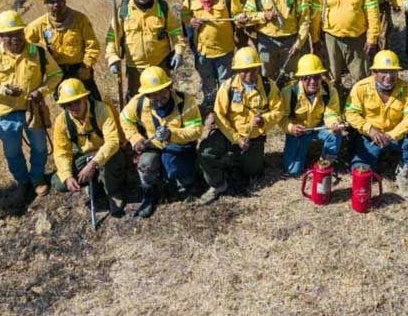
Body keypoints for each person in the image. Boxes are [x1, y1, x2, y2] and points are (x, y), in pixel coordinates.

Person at [0, 10, 61, 202]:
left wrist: (41, 91)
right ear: (1, 36)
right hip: (6, 113)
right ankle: (23, 183)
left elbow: (55, 75)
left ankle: (37, 179)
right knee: (12, 152)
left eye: (18, 32)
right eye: (9, 34)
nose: (14, 38)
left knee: (40, 147)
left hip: (33, 109)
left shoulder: (38, 51)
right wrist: (4, 90)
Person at [198, 47, 284, 204]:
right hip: (229, 134)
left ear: (258, 68)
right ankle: (218, 184)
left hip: (254, 137)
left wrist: (264, 119)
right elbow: (219, 116)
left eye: (252, 69)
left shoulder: (268, 86)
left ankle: (241, 159)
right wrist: (236, 139)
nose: (249, 74)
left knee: (253, 173)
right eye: (244, 71)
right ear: (237, 70)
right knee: (206, 152)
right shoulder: (227, 87)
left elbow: (278, 111)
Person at [121, 67, 203, 217]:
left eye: (162, 93)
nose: (158, 98)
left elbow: (196, 130)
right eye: (153, 95)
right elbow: (125, 119)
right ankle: (150, 195)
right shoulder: (138, 103)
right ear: (146, 94)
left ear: (169, 87)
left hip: (179, 146)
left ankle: (184, 180)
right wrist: (136, 138)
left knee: (183, 181)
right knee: (146, 165)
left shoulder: (186, 101)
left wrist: (172, 135)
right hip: (154, 146)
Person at [345, 50, 408, 198]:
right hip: (370, 137)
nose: (389, 77)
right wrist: (370, 130)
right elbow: (351, 113)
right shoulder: (361, 88)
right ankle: (375, 160)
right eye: (384, 72)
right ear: (374, 72)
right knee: (360, 172)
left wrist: (391, 135)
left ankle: (403, 173)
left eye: (393, 72)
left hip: (396, 136)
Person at [50, 79, 128, 217]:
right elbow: (62, 153)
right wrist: (68, 177)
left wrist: (93, 164)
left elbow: (113, 142)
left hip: (108, 151)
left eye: (77, 101)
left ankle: (114, 192)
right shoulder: (61, 121)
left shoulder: (102, 109)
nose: (74, 107)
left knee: (113, 160)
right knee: (59, 182)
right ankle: (98, 181)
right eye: (69, 104)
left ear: (85, 98)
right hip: (85, 155)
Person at [181, 0, 248, 113]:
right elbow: (184, 15)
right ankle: (211, 111)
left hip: (225, 51)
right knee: (208, 84)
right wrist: (190, 21)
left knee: (226, 84)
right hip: (202, 52)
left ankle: (227, 111)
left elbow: (238, 14)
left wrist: (241, 19)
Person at [106, 0, 187, 99]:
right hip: (135, 69)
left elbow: (175, 32)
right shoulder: (123, 11)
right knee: (138, 101)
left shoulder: (162, 7)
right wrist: (112, 59)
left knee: (164, 98)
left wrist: (179, 51)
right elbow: (111, 38)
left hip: (160, 64)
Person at [318, 0, 380, 93]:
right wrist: (315, 38)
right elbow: (316, 13)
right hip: (331, 37)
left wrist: (372, 37)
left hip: (357, 38)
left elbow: (373, 12)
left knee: (361, 77)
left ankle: (362, 107)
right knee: (332, 79)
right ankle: (334, 107)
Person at [25, 0, 102, 101]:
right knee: (68, 107)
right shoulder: (38, 25)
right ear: (45, 2)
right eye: (51, 1)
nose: (56, 4)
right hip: (57, 73)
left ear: (65, 0)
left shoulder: (80, 19)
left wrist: (86, 66)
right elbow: (23, 45)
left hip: (80, 69)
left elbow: (92, 45)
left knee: (93, 103)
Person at [242, 0, 312, 81]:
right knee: (266, 77)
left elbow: (305, 19)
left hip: (291, 42)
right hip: (266, 41)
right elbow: (246, 17)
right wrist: (263, 16)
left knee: (292, 78)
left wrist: (299, 43)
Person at [279, 54, 345, 176]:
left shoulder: (330, 91)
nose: (313, 82)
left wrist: (334, 123)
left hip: (319, 127)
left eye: (317, 77)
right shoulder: (288, 93)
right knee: (292, 171)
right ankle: (302, 147)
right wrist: (291, 128)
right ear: (300, 78)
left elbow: (331, 113)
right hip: (297, 131)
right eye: (307, 78)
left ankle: (325, 164)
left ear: (321, 77)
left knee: (335, 135)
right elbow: (282, 117)